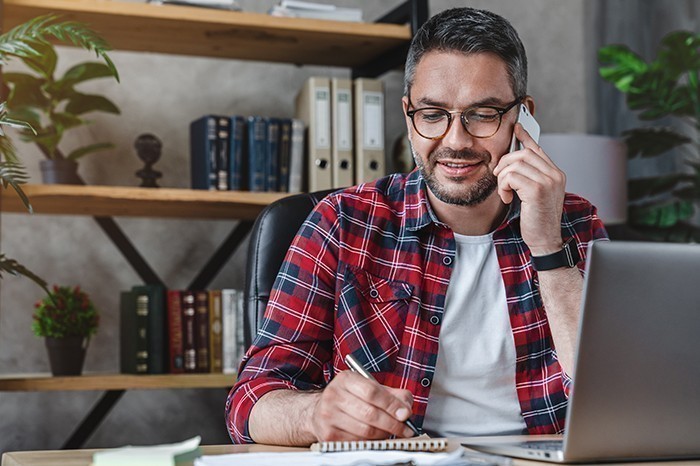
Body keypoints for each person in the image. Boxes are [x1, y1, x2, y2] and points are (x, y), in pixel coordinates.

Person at [226, 6, 607, 445]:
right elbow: (250, 401)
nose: (456, 140)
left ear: (523, 118)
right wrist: (315, 414)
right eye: (432, 114)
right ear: (409, 116)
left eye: (482, 113)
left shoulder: (575, 223)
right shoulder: (342, 221)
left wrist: (548, 247)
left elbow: (620, 398)